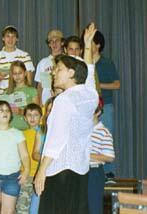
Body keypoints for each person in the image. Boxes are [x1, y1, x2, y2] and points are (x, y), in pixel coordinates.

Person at [34, 23, 99, 214]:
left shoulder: (64, 99)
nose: (54, 72)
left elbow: (56, 138)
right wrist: (86, 46)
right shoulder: (90, 96)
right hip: (80, 170)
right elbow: (88, 72)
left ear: (71, 73)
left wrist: (41, 170)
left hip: (58, 170)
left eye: (59, 69)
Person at [86, 29, 120, 178]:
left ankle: (108, 173)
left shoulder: (107, 63)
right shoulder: (84, 62)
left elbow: (117, 84)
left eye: (91, 42)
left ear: (98, 45)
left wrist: (98, 85)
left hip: (105, 106)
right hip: (88, 108)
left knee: (106, 137)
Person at [0, 25, 35, 92]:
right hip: (2, 99)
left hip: (21, 97)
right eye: (8, 36)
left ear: (17, 39)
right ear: (3, 38)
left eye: (13, 36)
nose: (10, 39)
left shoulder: (25, 56)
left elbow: (29, 82)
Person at [88, 98, 115, 214]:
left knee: (94, 207)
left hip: (94, 173)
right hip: (80, 172)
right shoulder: (80, 130)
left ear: (98, 112)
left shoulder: (103, 132)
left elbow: (109, 157)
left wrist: (88, 156)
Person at [30, 97, 55, 214]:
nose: (50, 113)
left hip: (58, 172)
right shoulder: (41, 130)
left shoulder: (65, 130)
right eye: (48, 110)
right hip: (42, 171)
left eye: (53, 109)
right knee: (35, 207)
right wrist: (46, 158)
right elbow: (35, 153)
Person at [16, 103, 42, 214]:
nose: (32, 118)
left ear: (41, 117)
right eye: (29, 115)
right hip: (25, 176)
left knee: (37, 208)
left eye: (35, 115)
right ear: (25, 118)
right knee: (22, 206)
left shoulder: (44, 133)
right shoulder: (21, 134)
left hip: (40, 175)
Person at [0, 61, 39, 130]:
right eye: (15, 73)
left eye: (20, 73)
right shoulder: (6, 93)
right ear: (12, 75)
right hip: (11, 130)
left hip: (28, 129)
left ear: (25, 73)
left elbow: (37, 113)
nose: (17, 76)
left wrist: (21, 112)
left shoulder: (32, 91)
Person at [34, 30, 64, 105]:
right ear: (49, 44)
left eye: (57, 40)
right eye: (51, 41)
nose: (54, 43)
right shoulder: (43, 62)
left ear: (62, 43)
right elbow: (40, 86)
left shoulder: (67, 60)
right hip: (46, 102)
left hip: (63, 101)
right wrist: (39, 104)